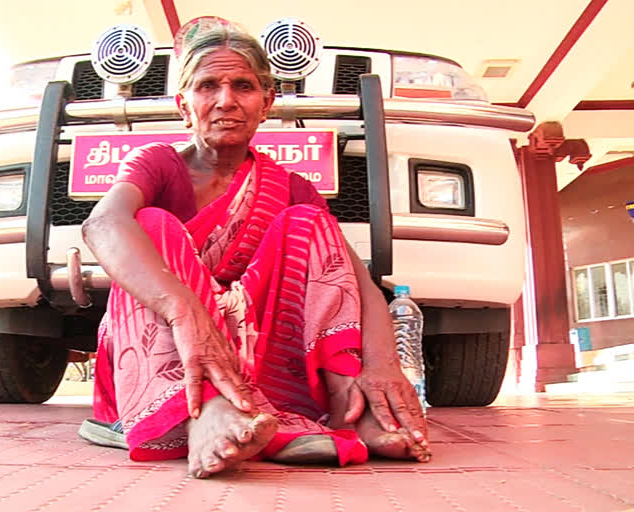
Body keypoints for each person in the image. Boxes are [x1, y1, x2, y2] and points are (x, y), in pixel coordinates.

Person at [80, 21, 430, 479]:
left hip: (261, 353)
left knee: (310, 223)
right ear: (185, 106)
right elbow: (102, 224)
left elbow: (357, 280)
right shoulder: (158, 164)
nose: (226, 100)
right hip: (169, 342)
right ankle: (204, 410)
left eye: (242, 86)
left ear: (265, 103)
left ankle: (349, 405)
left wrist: (383, 365)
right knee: (147, 225)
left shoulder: (290, 187)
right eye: (208, 86)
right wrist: (186, 311)